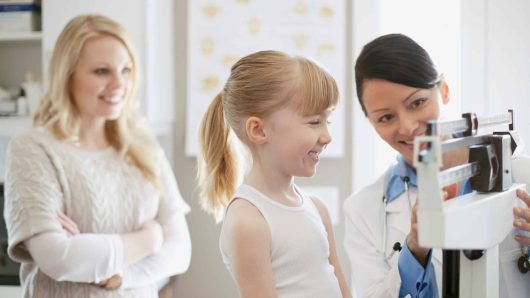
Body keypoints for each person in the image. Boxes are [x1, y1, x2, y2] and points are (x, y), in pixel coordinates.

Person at [3, 14, 191, 297]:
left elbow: (179, 251)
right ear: (67, 76)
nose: (119, 85)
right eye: (102, 71)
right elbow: (60, 259)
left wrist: (119, 274)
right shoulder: (33, 149)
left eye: (126, 70)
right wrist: (148, 240)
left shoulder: (143, 145)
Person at [343, 33, 530, 298]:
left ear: (443, 90)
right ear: (372, 124)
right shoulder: (363, 210)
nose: (407, 127)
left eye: (417, 103)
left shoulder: (522, 174)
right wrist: (414, 250)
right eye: (386, 117)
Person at [197, 50, 351, 298]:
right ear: (258, 130)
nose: (327, 136)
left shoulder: (316, 208)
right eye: (313, 122)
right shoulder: (248, 221)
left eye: (327, 121)